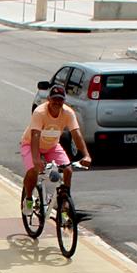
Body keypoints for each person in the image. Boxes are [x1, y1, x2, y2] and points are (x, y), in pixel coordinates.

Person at [20, 82, 92, 215]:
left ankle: (64, 201)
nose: (57, 103)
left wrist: (86, 155)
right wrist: (36, 159)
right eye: (54, 99)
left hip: (51, 146)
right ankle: (28, 198)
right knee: (33, 170)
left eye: (60, 99)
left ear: (64, 101)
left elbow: (76, 134)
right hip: (31, 144)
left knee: (68, 170)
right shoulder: (40, 112)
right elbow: (35, 136)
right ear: (49, 99)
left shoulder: (68, 113)